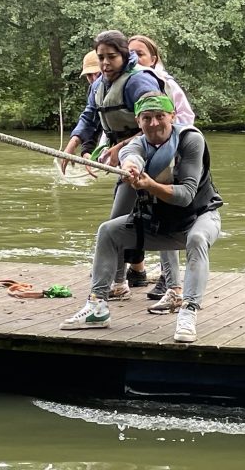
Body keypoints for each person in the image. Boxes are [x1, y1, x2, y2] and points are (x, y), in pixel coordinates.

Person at [59, 94, 223, 342]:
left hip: (198, 219)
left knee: (198, 239)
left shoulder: (191, 140)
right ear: (138, 121)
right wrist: (131, 169)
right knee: (108, 231)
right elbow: (131, 156)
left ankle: (189, 311)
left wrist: (150, 184)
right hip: (160, 224)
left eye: (160, 117)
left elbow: (186, 195)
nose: (154, 123)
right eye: (147, 118)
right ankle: (97, 307)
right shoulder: (137, 144)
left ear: (172, 116)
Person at [59, 30, 167, 294]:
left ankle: (151, 283)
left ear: (124, 56)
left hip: (152, 155)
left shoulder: (138, 82)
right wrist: (73, 143)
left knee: (135, 219)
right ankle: (120, 282)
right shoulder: (99, 85)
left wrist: (121, 146)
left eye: (111, 57)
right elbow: (89, 117)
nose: (105, 64)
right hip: (126, 158)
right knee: (121, 220)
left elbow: (158, 121)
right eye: (101, 58)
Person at [128, 35, 196, 303]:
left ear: (153, 59)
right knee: (137, 216)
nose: (135, 59)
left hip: (172, 158)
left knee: (167, 213)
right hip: (140, 156)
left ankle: (170, 281)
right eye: (130, 54)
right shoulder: (128, 85)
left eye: (140, 54)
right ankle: (131, 272)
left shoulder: (166, 85)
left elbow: (186, 119)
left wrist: (173, 148)